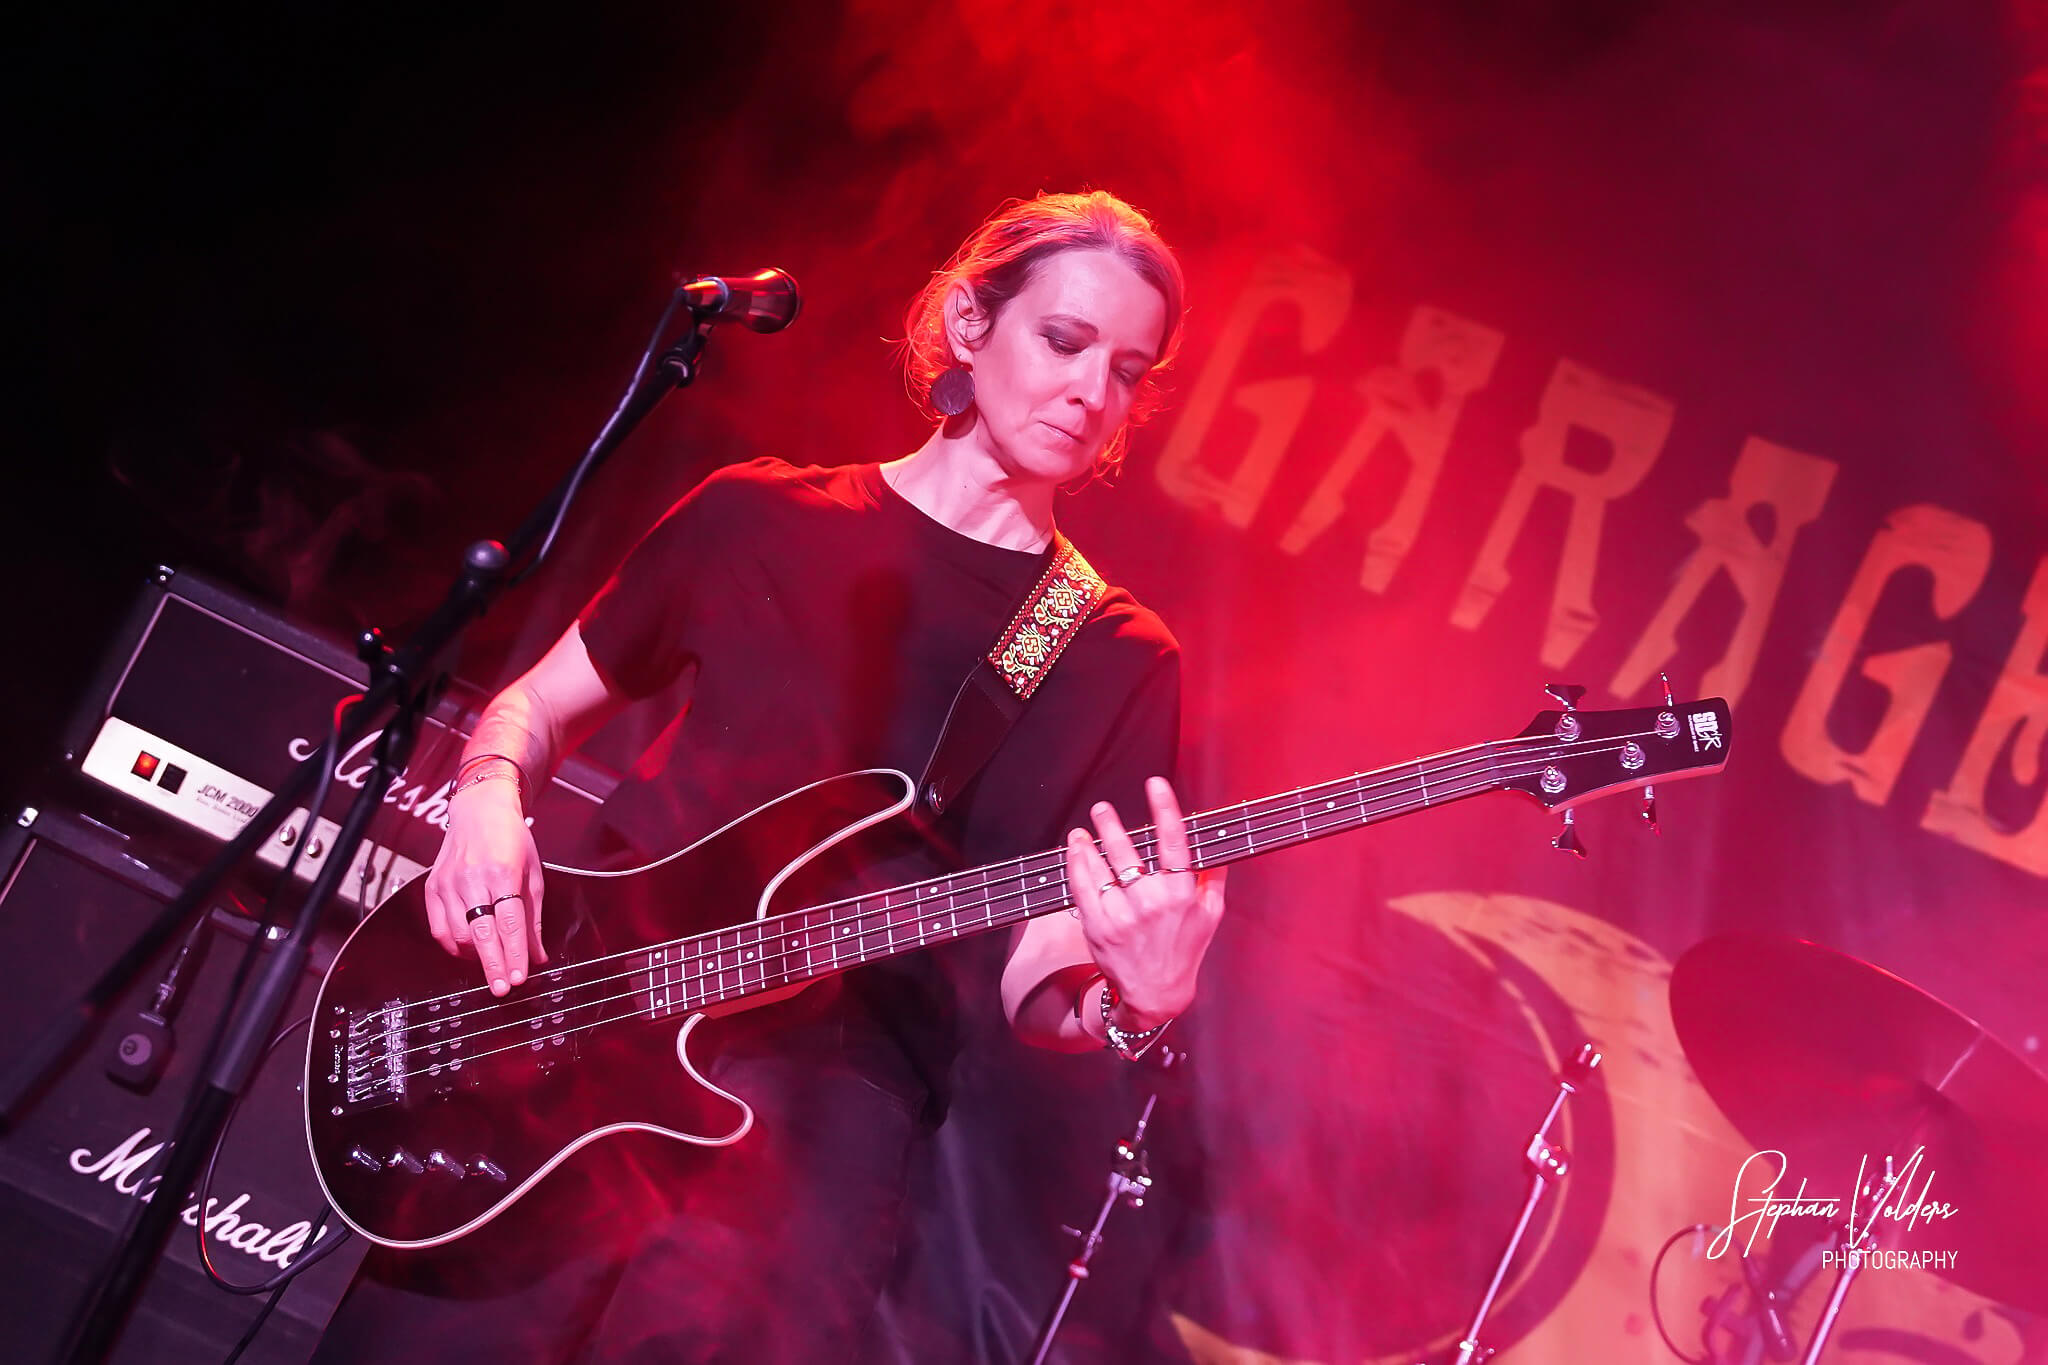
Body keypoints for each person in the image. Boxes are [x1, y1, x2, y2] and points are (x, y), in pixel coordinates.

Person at [312, 189, 1226, 1363]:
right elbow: (533, 707)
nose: (1091, 392)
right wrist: (487, 798)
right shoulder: (755, 514)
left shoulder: (1110, 652)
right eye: (1063, 341)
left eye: (1126, 371)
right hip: (565, 1030)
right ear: (967, 323)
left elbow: (1037, 966)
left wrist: (1133, 1001)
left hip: (815, 1133)